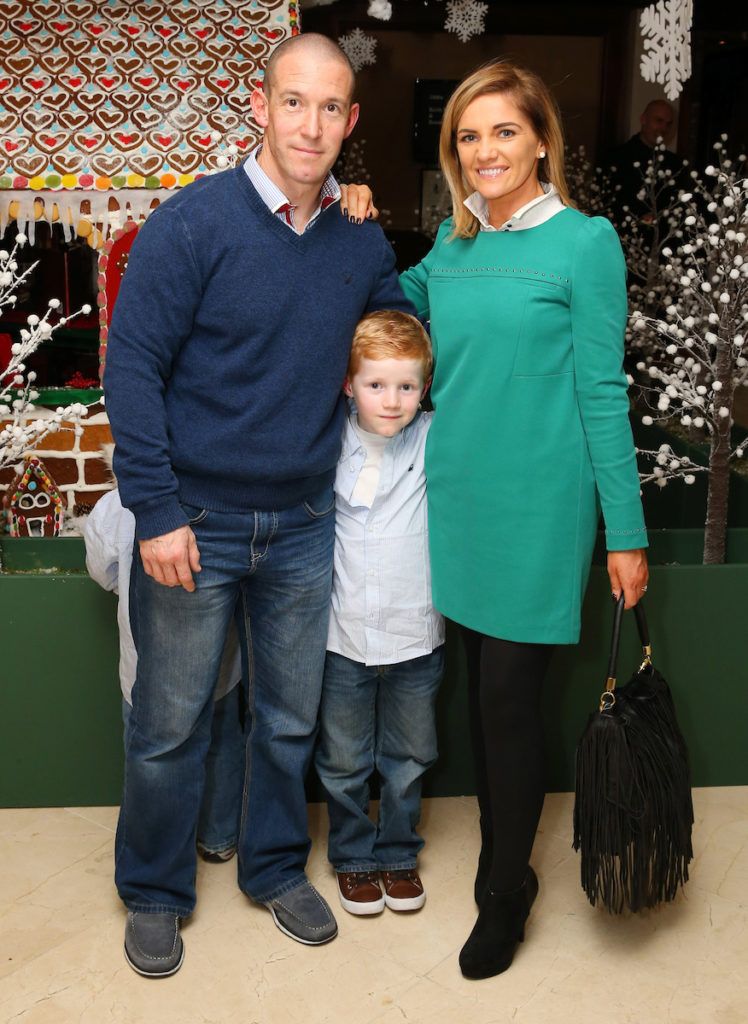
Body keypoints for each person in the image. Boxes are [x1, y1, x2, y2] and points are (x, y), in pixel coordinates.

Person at [103, 33, 414, 977]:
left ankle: (275, 870)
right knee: (171, 721)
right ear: (260, 104)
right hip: (195, 520)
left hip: (306, 523)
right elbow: (132, 367)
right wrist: (155, 510)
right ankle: (155, 892)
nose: (310, 124)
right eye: (294, 102)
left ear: (350, 121)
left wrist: (382, 219)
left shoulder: (361, 241)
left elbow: (402, 339)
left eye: (331, 108)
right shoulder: (193, 223)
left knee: (286, 718)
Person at [392, 60, 649, 979]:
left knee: (508, 701)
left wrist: (626, 530)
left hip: (541, 508)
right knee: (479, 692)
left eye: (504, 131)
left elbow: (604, 392)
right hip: (458, 502)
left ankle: (506, 888)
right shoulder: (451, 251)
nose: (485, 150)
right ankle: (509, 863)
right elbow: (384, 308)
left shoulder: (585, 243)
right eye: (468, 135)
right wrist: (345, 215)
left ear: (542, 138)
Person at [315, 310, 445, 917]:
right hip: (343, 635)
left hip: (416, 634)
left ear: (424, 387)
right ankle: (352, 857)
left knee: (410, 756)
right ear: (349, 385)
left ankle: (398, 852)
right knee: (343, 759)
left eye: (406, 386)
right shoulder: (328, 435)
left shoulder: (434, 438)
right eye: (375, 385)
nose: (391, 401)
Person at [82, 485, 245, 864]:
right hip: (214, 663)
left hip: (148, 660)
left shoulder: (118, 504)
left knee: (151, 749)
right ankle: (218, 835)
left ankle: (164, 840)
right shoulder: (226, 496)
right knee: (219, 743)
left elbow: (102, 569)